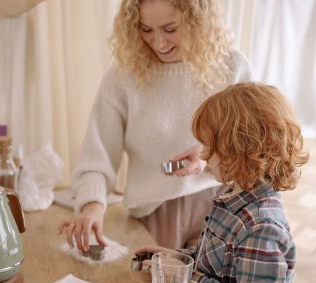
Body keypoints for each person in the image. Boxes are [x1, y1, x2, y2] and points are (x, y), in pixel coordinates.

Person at [135, 82, 309, 283]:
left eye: (208, 147)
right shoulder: (231, 196)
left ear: (238, 150)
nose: (201, 156)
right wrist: (178, 259)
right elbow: (219, 260)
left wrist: (187, 281)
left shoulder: (263, 226)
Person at [58, 0, 252, 252]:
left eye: (170, 29)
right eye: (146, 29)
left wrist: (208, 155)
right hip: (153, 212)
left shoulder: (232, 67)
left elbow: (251, 144)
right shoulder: (123, 76)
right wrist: (92, 204)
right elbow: (98, 154)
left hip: (223, 206)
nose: (159, 42)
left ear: (197, 20)